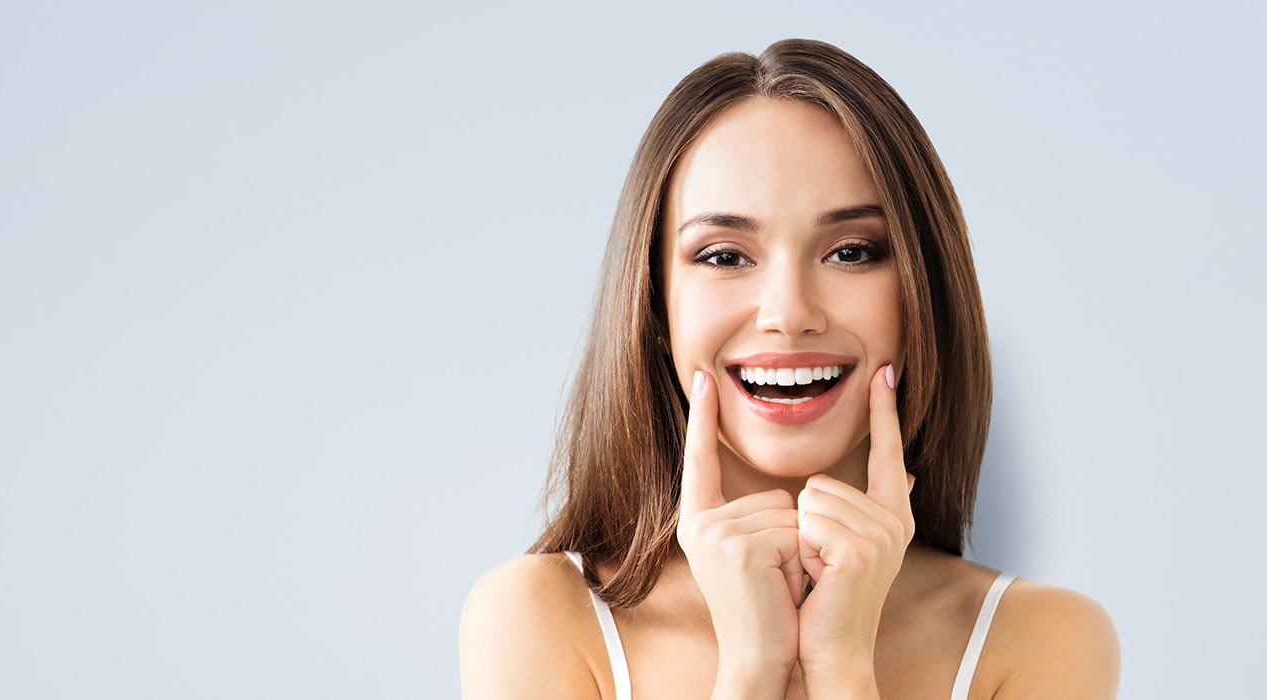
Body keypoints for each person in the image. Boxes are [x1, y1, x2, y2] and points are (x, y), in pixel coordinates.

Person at [458, 39, 1120, 700]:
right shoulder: (538, 618)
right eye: (722, 256)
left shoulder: (1041, 638)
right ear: (656, 309)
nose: (790, 312)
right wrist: (751, 667)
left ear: (922, 297)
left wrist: (842, 669)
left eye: (852, 252)